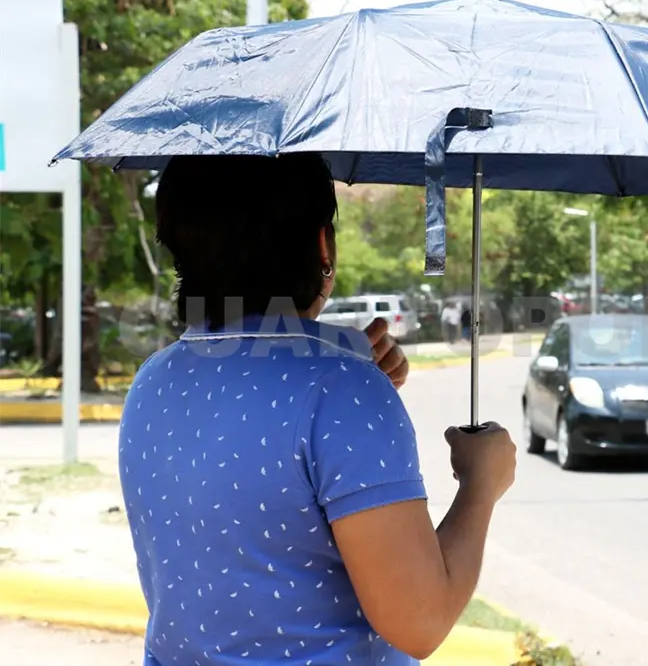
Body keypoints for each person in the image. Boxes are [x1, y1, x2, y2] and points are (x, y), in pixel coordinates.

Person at [118, 154, 516, 666]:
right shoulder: (341, 391)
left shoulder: (154, 380)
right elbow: (420, 621)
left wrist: (346, 371)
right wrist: (480, 486)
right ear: (322, 244)